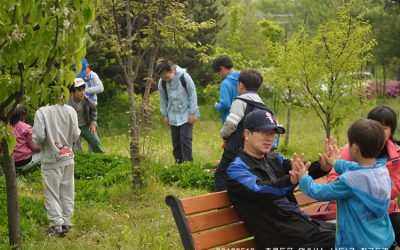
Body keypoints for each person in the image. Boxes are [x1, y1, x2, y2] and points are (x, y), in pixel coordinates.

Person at [227, 109, 335, 248]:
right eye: (263, 132)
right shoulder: (237, 169)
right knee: (345, 238)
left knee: (351, 230)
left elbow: (299, 169)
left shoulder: (274, 158)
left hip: (300, 228)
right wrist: (290, 181)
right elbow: (261, 189)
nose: (269, 138)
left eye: (272, 133)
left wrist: (322, 167)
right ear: (247, 134)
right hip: (283, 238)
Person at [294, 119, 394, 248]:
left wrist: (304, 178)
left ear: (354, 148)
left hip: (358, 243)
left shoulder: (349, 182)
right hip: (382, 239)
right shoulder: (382, 170)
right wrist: (336, 162)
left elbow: (319, 192)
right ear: (381, 145)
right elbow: (358, 170)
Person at [327, 105, 400, 246]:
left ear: (391, 131)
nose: (379, 131)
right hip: (356, 209)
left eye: (384, 128)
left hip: (387, 209)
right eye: (375, 125)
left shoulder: (396, 154)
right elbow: (333, 178)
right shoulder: (353, 149)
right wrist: (356, 188)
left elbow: (397, 185)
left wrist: (373, 193)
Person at [215, 69, 272, 191]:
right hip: (253, 150)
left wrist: (224, 136)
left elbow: (231, 124)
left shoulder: (240, 101)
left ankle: (223, 207)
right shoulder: (263, 106)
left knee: (221, 175)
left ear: (240, 85)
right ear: (258, 87)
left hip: (236, 148)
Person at [32, 95, 81, 237]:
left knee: (52, 192)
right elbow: (76, 135)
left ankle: (56, 226)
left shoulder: (42, 112)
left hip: (50, 159)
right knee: (67, 191)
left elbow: (38, 137)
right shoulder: (71, 110)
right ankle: (67, 221)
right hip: (68, 158)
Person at [155, 59, 199, 164]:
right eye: (162, 76)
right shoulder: (162, 83)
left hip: (186, 114)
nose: (165, 78)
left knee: (185, 139)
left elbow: (192, 94)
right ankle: (178, 165)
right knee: (176, 142)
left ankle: (188, 165)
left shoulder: (184, 77)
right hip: (172, 115)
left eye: (166, 74)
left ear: (172, 70)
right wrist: (165, 115)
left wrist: (193, 112)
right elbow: (163, 99)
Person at [67, 78, 105, 153]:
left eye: (84, 90)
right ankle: (78, 161)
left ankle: (102, 158)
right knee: (76, 149)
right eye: (79, 90)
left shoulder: (86, 100)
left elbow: (93, 110)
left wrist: (93, 123)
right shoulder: (67, 103)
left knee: (95, 141)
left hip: (85, 125)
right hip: (73, 127)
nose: (82, 92)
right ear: (72, 92)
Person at [10, 105, 40, 173]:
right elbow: (34, 148)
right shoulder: (26, 128)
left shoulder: (6, 128)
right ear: (22, 116)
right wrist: (43, 148)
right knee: (45, 152)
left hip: (12, 164)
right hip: (25, 163)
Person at [212, 55, 240, 124]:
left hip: (231, 120)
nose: (220, 75)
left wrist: (217, 106)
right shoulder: (244, 77)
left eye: (219, 73)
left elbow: (225, 104)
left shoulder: (225, 83)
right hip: (245, 118)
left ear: (222, 69)